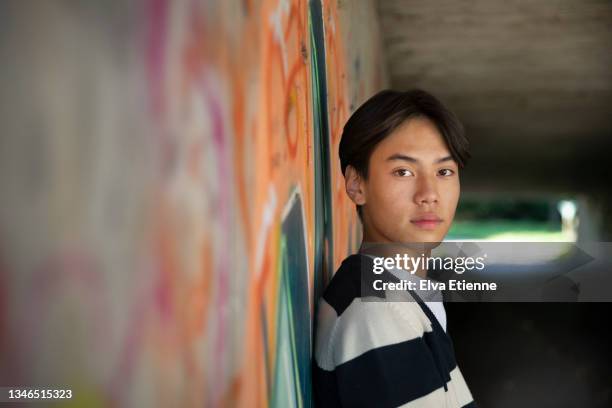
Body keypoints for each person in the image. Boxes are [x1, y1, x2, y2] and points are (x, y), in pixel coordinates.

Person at [313, 89, 475, 407]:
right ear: (357, 184)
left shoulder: (398, 294)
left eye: (444, 172)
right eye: (403, 172)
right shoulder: (378, 310)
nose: (429, 194)